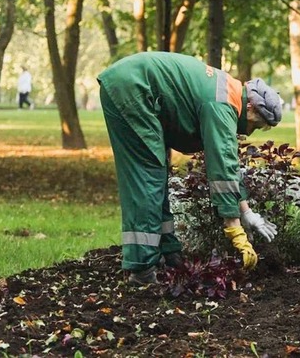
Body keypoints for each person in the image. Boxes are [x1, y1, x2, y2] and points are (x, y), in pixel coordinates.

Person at [97, 52, 282, 286]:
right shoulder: (222, 106)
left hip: (135, 87)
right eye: (255, 124)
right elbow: (221, 169)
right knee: (147, 177)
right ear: (250, 106)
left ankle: (168, 253)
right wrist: (235, 231)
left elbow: (228, 163)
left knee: (155, 175)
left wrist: (246, 212)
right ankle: (142, 270)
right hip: (132, 89)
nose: (250, 131)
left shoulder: (229, 94)